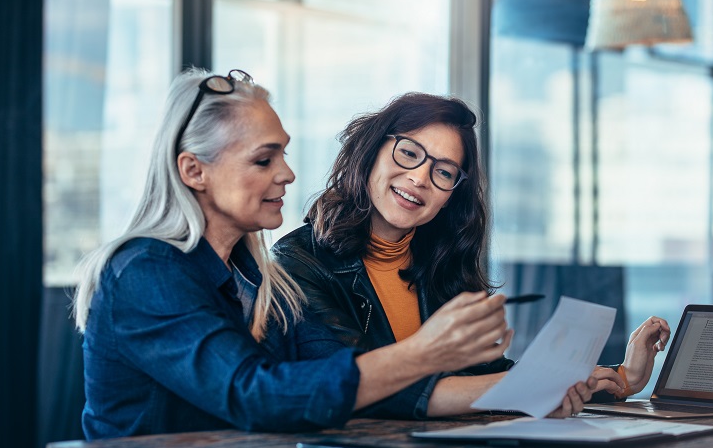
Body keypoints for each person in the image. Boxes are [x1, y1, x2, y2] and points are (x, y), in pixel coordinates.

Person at [66, 69, 601, 448]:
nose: (288, 175)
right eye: (264, 159)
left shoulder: (255, 276)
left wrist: (538, 388)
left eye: (283, 154)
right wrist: (425, 351)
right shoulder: (146, 272)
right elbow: (257, 396)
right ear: (193, 170)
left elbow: (330, 379)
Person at [273, 92, 671, 416]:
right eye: (409, 153)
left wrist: (621, 377)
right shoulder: (297, 263)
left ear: (451, 197)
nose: (420, 178)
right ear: (371, 152)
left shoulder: (440, 266)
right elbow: (361, 387)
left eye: (443, 172)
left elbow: (487, 376)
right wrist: (529, 389)